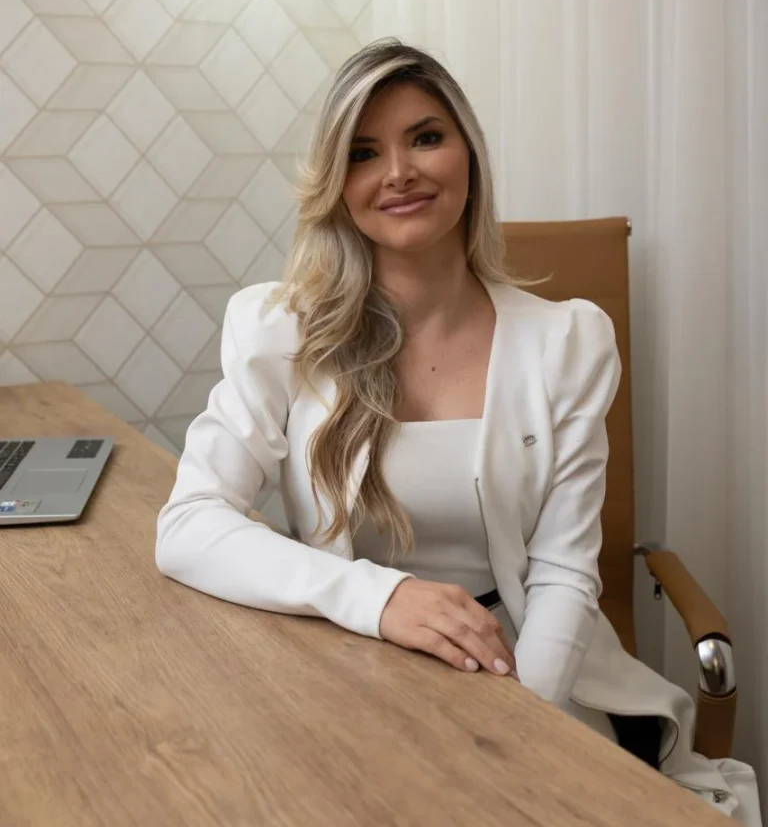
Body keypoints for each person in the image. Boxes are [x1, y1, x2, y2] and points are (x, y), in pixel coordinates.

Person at [157, 40, 759, 822]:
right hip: (349, 660)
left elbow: (564, 573)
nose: (398, 172)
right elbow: (188, 526)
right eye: (364, 152)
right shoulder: (281, 329)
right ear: (337, 185)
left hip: (528, 669)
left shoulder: (568, 340)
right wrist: (383, 598)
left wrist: (520, 730)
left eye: (426, 138)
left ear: (469, 155)